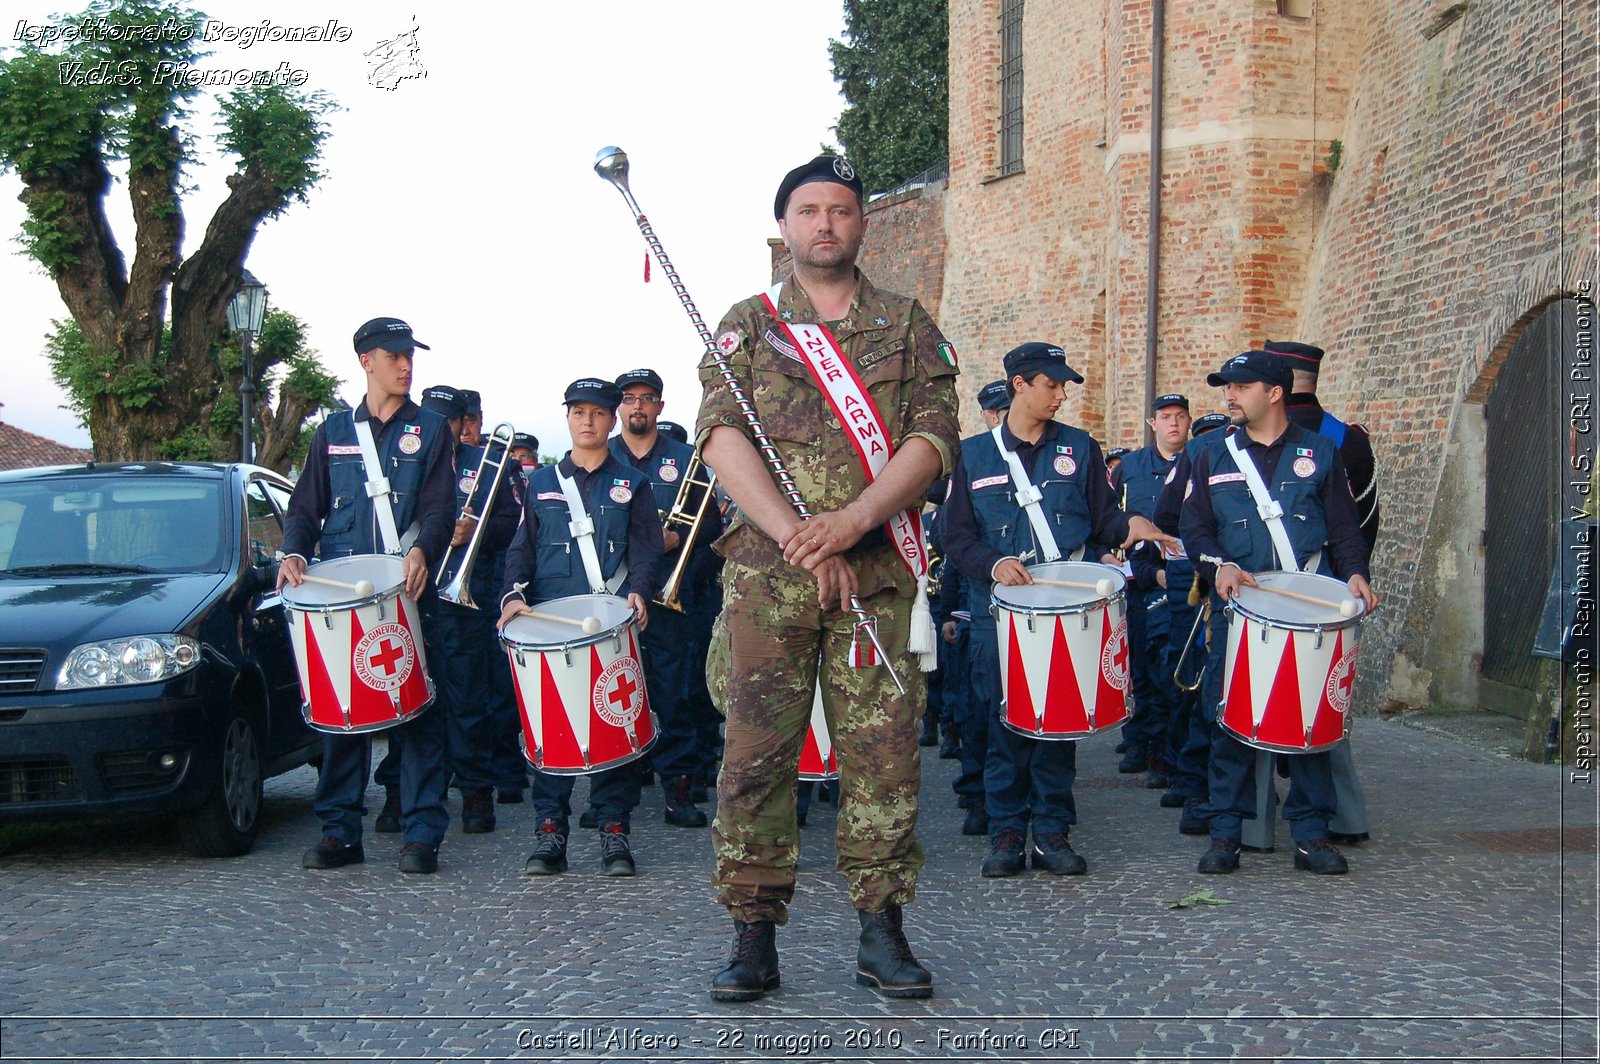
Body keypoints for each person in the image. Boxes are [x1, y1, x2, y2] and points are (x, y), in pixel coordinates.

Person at [699, 154, 959, 1002]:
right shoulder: (747, 323)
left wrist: (852, 523)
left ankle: (881, 932)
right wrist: (798, 535)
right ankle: (752, 936)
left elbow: (933, 439)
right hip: (768, 584)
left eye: (840, 210)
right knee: (755, 760)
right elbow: (719, 438)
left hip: (877, 578)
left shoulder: (908, 324)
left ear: (862, 224)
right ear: (785, 225)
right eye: (808, 210)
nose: (824, 223)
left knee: (883, 760)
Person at [941, 342, 1176, 880]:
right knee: (1003, 721)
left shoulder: (1080, 447)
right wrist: (991, 562)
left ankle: (1051, 830)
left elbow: (1101, 522)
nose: (1061, 395)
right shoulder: (973, 454)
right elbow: (954, 536)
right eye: (1052, 384)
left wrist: (1133, 527)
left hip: (1065, 607)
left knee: (1057, 723)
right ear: (1020, 385)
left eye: (1064, 385)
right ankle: (1005, 829)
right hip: (999, 609)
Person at [1180, 350, 1376, 875]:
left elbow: (1344, 529)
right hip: (1239, 608)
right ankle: (1226, 833)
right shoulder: (1210, 455)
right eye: (1227, 387)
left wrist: (1356, 573)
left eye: (1240, 387)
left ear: (1274, 393)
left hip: (1305, 608)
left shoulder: (1321, 452)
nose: (1229, 395)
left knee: (1308, 718)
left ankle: (1312, 834)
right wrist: (1216, 564)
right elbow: (1194, 530)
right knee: (1230, 721)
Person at [280, 316, 455, 875]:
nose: (406, 365)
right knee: (341, 713)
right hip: (341, 597)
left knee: (419, 711)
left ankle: (421, 832)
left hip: (406, 591)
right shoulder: (332, 431)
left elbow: (438, 504)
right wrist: (293, 552)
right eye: (395, 356)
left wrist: (424, 550)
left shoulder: (431, 428)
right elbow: (306, 506)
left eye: (410, 356)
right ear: (366, 362)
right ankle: (339, 831)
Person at [496, 378, 663, 875]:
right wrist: (512, 594)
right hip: (549, 622)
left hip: (610, 621)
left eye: (597, 413)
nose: (587, 421)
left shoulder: (633, 483)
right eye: (578, 412)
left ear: (612, 420)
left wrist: (641, 588)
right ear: (567, 418)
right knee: (551, 725)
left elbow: (647, 548)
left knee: (613, 721)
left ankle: (615, 830)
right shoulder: (540, 481)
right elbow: (521, 546)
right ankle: (550, 831)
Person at [1265, 339, 1379, 844]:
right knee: (1326, 708)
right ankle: (1344, 817)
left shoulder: (1257, 437)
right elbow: (1366, 521)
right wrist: (1347, 573)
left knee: (1256, 704)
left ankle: (1253, 821)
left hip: (1263, 590)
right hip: (1332, 589)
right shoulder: (1350, 439)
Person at [610, 367, 722, 827]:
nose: (638, 406)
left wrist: (676, 540)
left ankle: (678, 789)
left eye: (647, 398)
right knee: (617, 692)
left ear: (660, 406)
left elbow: (711, 527)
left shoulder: (686, 458)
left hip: (669, 600)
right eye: (630, 398)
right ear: (619, 407)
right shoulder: (602, 455)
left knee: (672, 695)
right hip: (614, 596)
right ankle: (613, 794)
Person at [1111, 395, 1192, 787]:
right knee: (1138, 667)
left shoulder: (1200, 460)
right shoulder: (1130, 468)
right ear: (1152, 422)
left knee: (1172, 669)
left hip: (1187, 578)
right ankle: (1142, 741)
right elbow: (1108, 514)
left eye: (1180, 417)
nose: (1173, 424)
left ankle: (1166, 756)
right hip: (1139, 579)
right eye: (1165, 418)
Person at [944, 379, 1011, 834]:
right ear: (987, 415)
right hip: (978, 591)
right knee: (979, 706)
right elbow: (952, 540)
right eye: (998, 410)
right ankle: (977, 793)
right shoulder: (974, 456)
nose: (1004, 415)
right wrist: (952, 608)